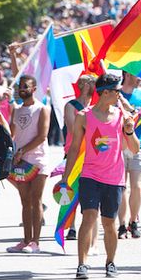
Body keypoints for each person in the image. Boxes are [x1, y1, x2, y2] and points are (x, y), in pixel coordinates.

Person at [59, 72, 139, 280]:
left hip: (114, 177)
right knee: (89, 218)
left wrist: (129, 132)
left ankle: (110, 262)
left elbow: (135, 149)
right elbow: (75, 148)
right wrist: (66, 178)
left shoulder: (122, 116)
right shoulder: (84, 116)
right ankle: (82, 264)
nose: (120, 96)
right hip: (90, 175)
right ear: (105, 93)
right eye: (117, 92)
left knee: (108, 223)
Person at [6, 75, 50, 254]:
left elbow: (42, 136)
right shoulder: (16, 110)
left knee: (35, 199)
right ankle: (25, 240)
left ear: (34, 89)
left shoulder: (42, 109)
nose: (22, 89)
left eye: (26, 86)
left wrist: (22, 151)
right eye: (20, 87)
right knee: (24, 201)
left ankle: (35, 242)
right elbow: (12, 133)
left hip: (38, 160)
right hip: (20, 161)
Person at [117, 72, 141, 240]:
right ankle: (122, 224)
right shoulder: (116, 94)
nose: (140, 77)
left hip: (140, 145)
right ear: (127, 74)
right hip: (119, 147)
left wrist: (131, 110)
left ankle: (133, 221)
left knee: (137, 187)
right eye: (136, 74)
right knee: (121, 187)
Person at [63, 75, 96, 241]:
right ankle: (71, 225)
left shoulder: (96, 107)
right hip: (74, 152)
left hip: (92, 153)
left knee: (89, 191)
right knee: (72, 188)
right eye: (91, 82)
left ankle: (88, 227)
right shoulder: (70, 105)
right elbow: (72, 129)